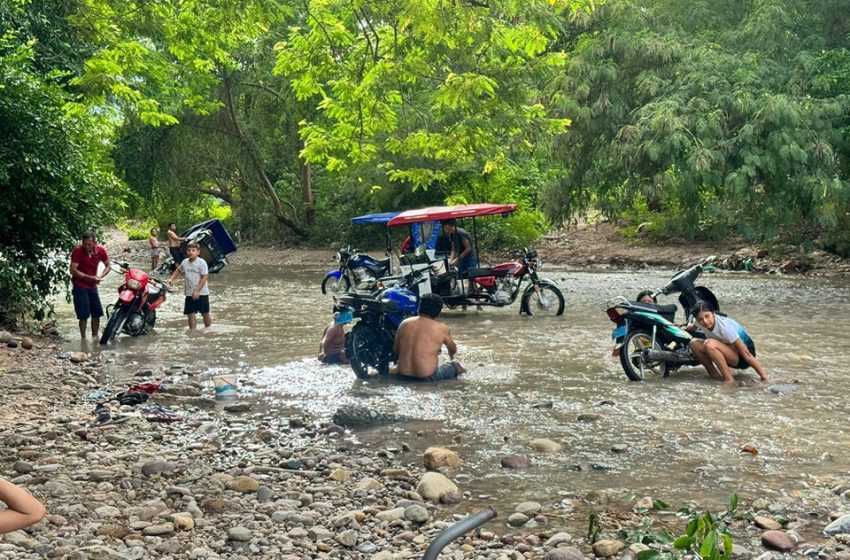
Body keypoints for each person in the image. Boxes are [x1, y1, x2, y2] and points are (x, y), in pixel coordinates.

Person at [686, 301, 768, 383]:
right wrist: (685, 327)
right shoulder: (699, 323)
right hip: (728, 351)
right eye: (700, 319)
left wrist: (764, 377)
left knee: (709, 344)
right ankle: (714, 376)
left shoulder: (725, 327)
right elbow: (692, 327)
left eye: (707, 316)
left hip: (743, 358)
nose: (705, 321)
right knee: (693, 343)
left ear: (713, 313)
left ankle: (729, 380)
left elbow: (747, 353)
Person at [393, 293, 466, 381]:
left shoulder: (404, 323)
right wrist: (451, 356)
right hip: (427, 378)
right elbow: (453, 349)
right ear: (438, 313)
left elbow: (396, 350)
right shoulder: (441, 328)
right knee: (456, 366)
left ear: (419, 308)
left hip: (402, 376)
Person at [69, 231, 112, 339]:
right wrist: (89, 278)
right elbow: (73, 270)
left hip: (92, 286)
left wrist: (100, 277)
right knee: (83, 315)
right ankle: (83, 338)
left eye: (89, 244)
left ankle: (95, 337)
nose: (87, 246)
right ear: (82, 242)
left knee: (96, 313)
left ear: (95, 243)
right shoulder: (78, 251)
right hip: (80, 285)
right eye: (85, 244)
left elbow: (108, 266)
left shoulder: (100, 250)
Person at [169, 241, 212, 329]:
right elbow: (178, 270)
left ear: (198, 252)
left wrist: (197, 291)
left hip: (202, 293)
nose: (191, 252)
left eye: (193, 250)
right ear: (186, 252)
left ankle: (209, 329)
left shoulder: (202, 263)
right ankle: (192, 332)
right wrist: (172, 279)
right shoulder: (185, 262)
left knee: (205, 313)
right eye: (189, 250)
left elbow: (204, 277)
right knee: (190, 313)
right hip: (189, 293)